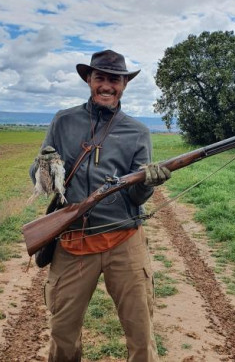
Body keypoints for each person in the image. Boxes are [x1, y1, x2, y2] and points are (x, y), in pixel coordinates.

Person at [30, 49, 171, 362]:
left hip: (125, 240)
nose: (107, 85)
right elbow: (41, 181)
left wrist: (148, 184)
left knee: (141, 332)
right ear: (89, 80)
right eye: (101, 78)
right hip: (73, 240)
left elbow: (136, 198)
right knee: (62, 332)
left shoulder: (138, 132)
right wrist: (46, 167)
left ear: (124, 85)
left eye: (114, 80)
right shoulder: (63, 121)